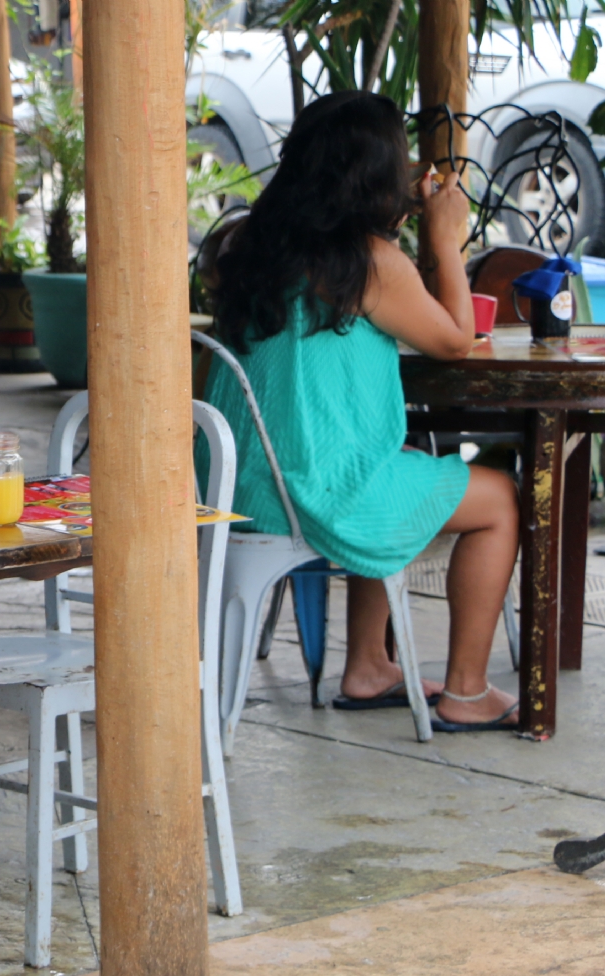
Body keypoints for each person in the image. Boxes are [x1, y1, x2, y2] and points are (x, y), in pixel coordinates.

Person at [205, 91, 520, 730]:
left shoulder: (248, 243)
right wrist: (446, 238)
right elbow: (455, 340)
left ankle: (370, 666)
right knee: (499, 501)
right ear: (373, 174)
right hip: (307, 489)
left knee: (397, 466)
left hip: (233, 480)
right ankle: (465, 690)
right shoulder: (367, 261)